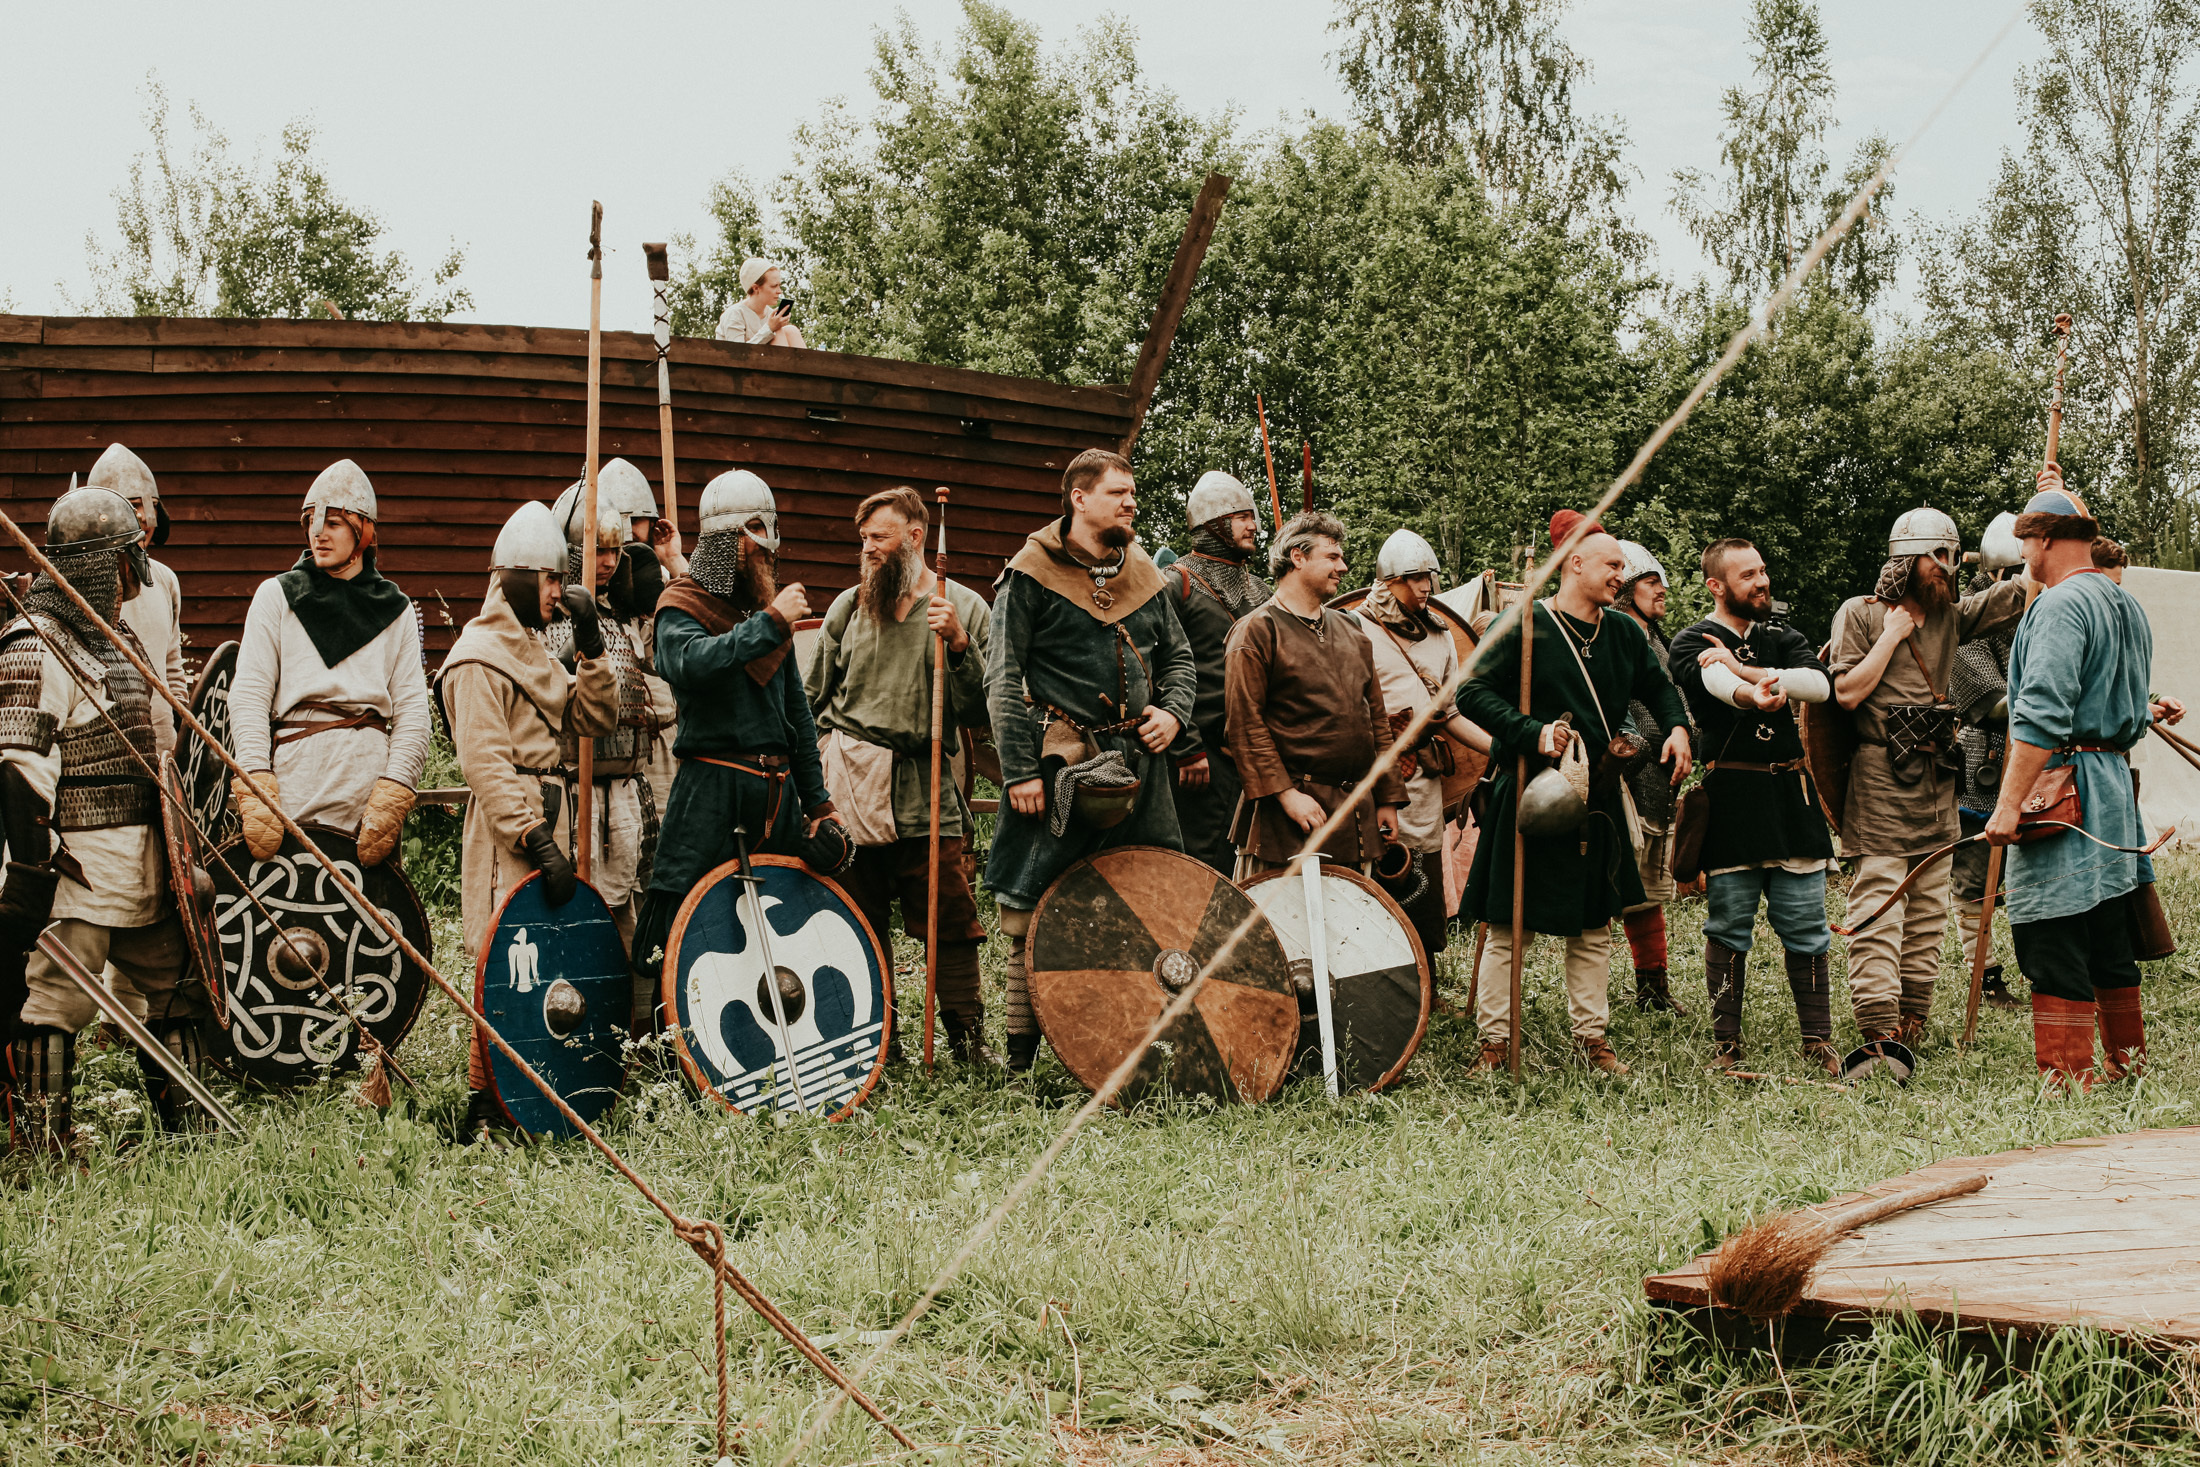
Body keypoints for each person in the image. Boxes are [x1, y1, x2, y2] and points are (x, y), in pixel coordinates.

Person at [984, 448, 1198, 1072]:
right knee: (1025, 908)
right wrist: (1021, 770)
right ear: (1079, 499)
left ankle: (1132, 1043)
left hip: (1139, 764)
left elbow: (1178, 660)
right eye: (1118, 493)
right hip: (1061, 762)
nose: (1132, 502)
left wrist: (1173, 713)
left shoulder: (1143, 575)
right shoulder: (1029, 573)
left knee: (1147, 896)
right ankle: (1022, 1056)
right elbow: (1002, 679)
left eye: (1133, 493)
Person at [1456, 512, 1692, 1076]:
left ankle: (1592, 1039)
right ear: (1575, 564)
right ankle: (1495, 1043)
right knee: (1511, 930)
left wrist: (1678, 726)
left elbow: (1660, 691)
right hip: (1532, 792)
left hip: (1598, 798)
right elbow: (1469, 692)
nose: (1621, 574)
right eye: (1612, 564)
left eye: (1622, 566)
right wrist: (1531, 731)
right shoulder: (1523, 625)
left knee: (1593, 926)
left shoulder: (1625, 633)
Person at [2, 488, 197, 1147]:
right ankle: (44, 1146)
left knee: (173, 988)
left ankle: (187, 1136)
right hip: (78, 870)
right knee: (55, 1001)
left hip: (145, 862)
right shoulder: (35, 642)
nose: (128, 580)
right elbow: (20, 770)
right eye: (122, 563)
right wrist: (29, 877)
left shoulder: (122, 640)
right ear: (94, 564)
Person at [1984, 476, 2182, 1087]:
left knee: (2052, 930)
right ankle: (2129, 1067)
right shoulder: (2121, 601)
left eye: (2027, 543)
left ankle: (2069, 1079)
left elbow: (2041, 715)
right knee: (2105, 932)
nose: (2023, 557)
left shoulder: (2060, 604)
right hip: (2113, 787)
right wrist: (2058, 492)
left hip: (2066, 788)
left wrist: (2008, 805)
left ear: (2042, 540)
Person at [435, 501, 619, 1137]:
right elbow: (484, 766)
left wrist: (592, 648)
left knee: (543, 959)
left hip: (553, 815)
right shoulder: (477, 658)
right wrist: (536, 840)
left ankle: (535, 1091)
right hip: (510, 831)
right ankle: (485, 1103)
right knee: (501, 958)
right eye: (547, 580)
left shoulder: (533, 655)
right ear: (514, 577)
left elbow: (594, 720)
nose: (557, 592)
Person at [630, 470, 841, 1007]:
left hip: (777, 790)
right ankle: (660, 1044)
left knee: (787, 913)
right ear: (730, 540)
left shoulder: (756, 612)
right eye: (756, 536)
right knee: (682, 914)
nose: (768, 551)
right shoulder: (684, 601)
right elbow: (686, 663)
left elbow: (796, 711)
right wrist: (770, 623)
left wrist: (817, 802)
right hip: (712, 788)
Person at [807, 487, 994, 1064]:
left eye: (878, 538)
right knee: (858, 919)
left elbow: (983, 711)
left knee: (951, 917)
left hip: (921, 784)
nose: (867, 549)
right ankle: (877, 1047)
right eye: (863, 539)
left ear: (916, 536)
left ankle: (965, 1042)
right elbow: (810, 700)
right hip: (850, 785)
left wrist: (959, 646)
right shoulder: (847, 608)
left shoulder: (962, 607)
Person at [1828, 508, 2026, 1045]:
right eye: (1935, 556)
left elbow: (2020, 592)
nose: (1946, 567)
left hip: (1939, 776)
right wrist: (1892, 635)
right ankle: (1877, 1024)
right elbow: (1846, 694)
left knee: (1928, 908)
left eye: (1951, 556)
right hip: (1880, 776)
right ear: (1905, 559)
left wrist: (2046, 520)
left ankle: (1912, 1017)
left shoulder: (1951, 615)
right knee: (1881, 902)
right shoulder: (1860, 613)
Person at [1667, 539, 1840, 1073]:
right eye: (1748, 575)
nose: (1762, 581)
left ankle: (1816, 1041)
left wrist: (1748, 674)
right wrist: (1751, 693)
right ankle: (1727, 1047)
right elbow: (1715, 683)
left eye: (1763, 570)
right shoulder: (1692, 639)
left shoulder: (1782, 636)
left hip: (1791, 800)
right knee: (1728, 926)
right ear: (1717, 585)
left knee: (1807, 925)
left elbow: (1817, 686)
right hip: (1734, 801)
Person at [229, 460, 434, 872]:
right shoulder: (277, 596)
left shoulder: (396, 611)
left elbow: (413, 711)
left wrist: (394, 789)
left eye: (334, 523)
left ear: (364, 531)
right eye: (312, 521)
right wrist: (256, 780)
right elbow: (249, 694)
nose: (318, 533)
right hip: (293, 781)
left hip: (366, 791)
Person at [1224, 512, 1405, 880]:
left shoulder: (1351, 630)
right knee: (1276, 932)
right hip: (1288, 817)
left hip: (1355, 812)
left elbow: (1376, 722)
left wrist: (1386, 797)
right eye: (1332, 557)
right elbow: (1244, 726)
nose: (1344, 566)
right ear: (1298, 557)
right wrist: (1288, 796)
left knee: (1349, 932)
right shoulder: (1256, 631)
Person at [545, 479, 662, 995]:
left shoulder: (623, 616)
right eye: (598, 549)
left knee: (628, 915)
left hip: (627, 787)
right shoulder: (550, 622)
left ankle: (632, 1035)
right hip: (575, 789)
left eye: (615, 549)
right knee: (577, 912)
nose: (609, 559)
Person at [1349, 528, 1489, 956]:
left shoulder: (1442, 636)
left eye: (1429, 576)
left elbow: (1450, 713)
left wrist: (1498, 747)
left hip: (1423, 775)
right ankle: (1379, 976)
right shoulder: (1355, 627)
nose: (1426, 586)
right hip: (1371, 774)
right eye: (1414, 577)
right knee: (1374, 872)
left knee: (1423, 869)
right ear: (1388, 580)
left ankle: (1425, 971)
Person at [1168, 471, 1269, 875]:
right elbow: (1165, 669)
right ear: (1214, 524)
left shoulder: (1261, 591)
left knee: (1249, 866)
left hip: (1253, 751)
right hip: (1201, 754)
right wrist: (1187, 746)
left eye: (1253, 517)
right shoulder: (1178, 583)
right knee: (1199, 862)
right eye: (1242, 517)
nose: (1253, 526)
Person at [1949, 512, 2026, 1011]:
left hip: (2029, 771)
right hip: (1984, 768)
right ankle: (1987, 975)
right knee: (1974, 885)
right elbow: (1994, 705)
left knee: (2025, 881)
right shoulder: (1968, 618)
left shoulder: (2032, 617)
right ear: (2002, 574)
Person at [1609, 540, 1688, 1013]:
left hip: (1658, 782)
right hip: (1625, 779)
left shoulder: (1657, 639)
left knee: (1648, 893)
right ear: (1624, 590)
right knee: (1614, 889)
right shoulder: (1616, 637)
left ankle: (1652, 987)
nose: (1662, 590)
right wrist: (1634, 752)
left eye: (1661, 581)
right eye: (1651, 582)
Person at [84, 443, 187, 755]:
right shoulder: (79, 580)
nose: (143, 517)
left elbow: (171, 665)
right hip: (100, 746)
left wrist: (180, 727)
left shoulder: (166, 579)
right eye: (132, 506)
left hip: (162, 744)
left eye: (150, 505)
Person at [716, 259, 807, 349]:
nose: (779, 291)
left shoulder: (770, 314)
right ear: (756, 288)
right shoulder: (735, 314)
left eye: (779, 285)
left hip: (766, 361)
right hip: (736, 362)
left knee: (791, 330)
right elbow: (738, 355)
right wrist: (769, 328)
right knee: (777, 331)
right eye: (774, 286)